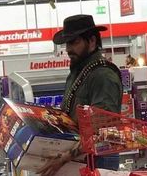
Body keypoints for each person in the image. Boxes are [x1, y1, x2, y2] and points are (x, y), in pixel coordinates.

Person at [36, 14, 123, 176]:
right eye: (68, 43)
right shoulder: (78, 72)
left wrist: (65, 157)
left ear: (91, 41)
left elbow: (102, 130)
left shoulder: (103, 76)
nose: (68, 49)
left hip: (98, 160)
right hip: (78, 158)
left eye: (74, 42)